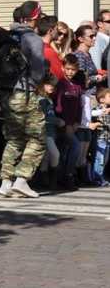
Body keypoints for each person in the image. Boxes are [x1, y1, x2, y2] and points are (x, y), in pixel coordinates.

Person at [0, 0, 46, 199]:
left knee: (14, 138)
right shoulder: (33, 39)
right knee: (38, 138)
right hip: (24, 93)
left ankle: (5, 182)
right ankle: (22, 180)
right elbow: (38, 72)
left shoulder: (7, 36)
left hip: (4, 93)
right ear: (35, 17)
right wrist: (35, 82)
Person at [54, 54, 83, 190]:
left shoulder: (77, 86)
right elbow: (59, 106)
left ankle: (62, 177)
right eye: (68, 69)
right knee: (75, 146)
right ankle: (68, 175)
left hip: (73, 125)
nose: (70, 72)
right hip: (63, 124)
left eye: (73, 70)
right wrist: (66, 124)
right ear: (63, 68)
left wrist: (77, 122)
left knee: (65, 150)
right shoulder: (61, 84)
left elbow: (79, 107)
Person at [36, 74, 63, 191]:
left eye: (53, 85)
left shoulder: (49, 99)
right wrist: (57, 121)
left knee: (46, 156)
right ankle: (52, 179)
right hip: (44, 131)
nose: (52, 87)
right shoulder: (41, 99)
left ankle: (45, 180)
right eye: (48, 84)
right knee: (55, 154)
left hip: (51, 131)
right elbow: (42, 117)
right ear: (42, 85)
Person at [73, 24, 102, 95]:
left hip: (93, 94)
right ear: (80, 39)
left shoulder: (87, 54)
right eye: (91, 36)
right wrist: (96, 78)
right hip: (86, 96)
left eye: (94, 36)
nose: (94, 38)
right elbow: (80, 79)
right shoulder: (79, 56)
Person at [91, 87, 110, 186]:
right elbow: (94, 116)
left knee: (105, 159)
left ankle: (101, 177)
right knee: (99, 159)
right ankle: (97, 178)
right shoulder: (98, 109)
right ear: (102, 99)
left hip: (107, 138)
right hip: (100, 138)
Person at [37, 16, 64, 80]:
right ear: (50, 31)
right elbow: (60, 75)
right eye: (56, 29)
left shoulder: (35, 46)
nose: (58, 32)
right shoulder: (48, 51)